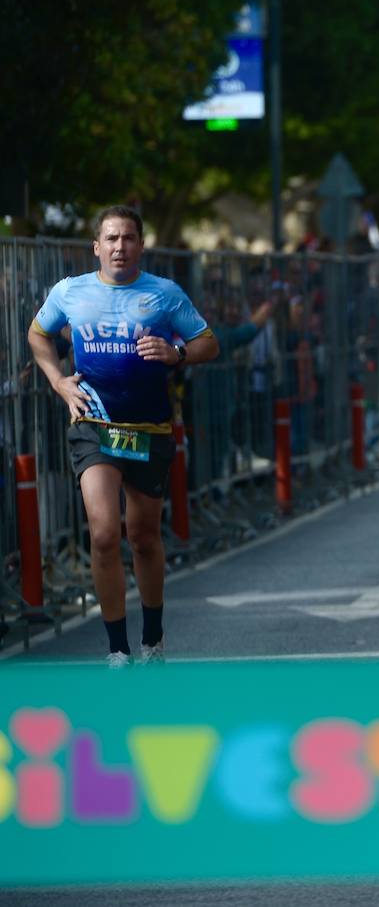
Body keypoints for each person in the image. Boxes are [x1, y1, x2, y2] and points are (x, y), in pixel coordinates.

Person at [27, 206, 220, 668]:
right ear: (96, 246)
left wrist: (176, 353)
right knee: (104, 533)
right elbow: (37, 335)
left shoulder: (164, 294)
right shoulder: (71, 292)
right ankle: (117, 648)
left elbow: (208, 342)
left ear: (140, 245)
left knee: (144, 536)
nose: (119, 246)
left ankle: (152, 638)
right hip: (94, 424)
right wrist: (57, 381)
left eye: (128, 238)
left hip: (148, 428)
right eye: (111, 238)